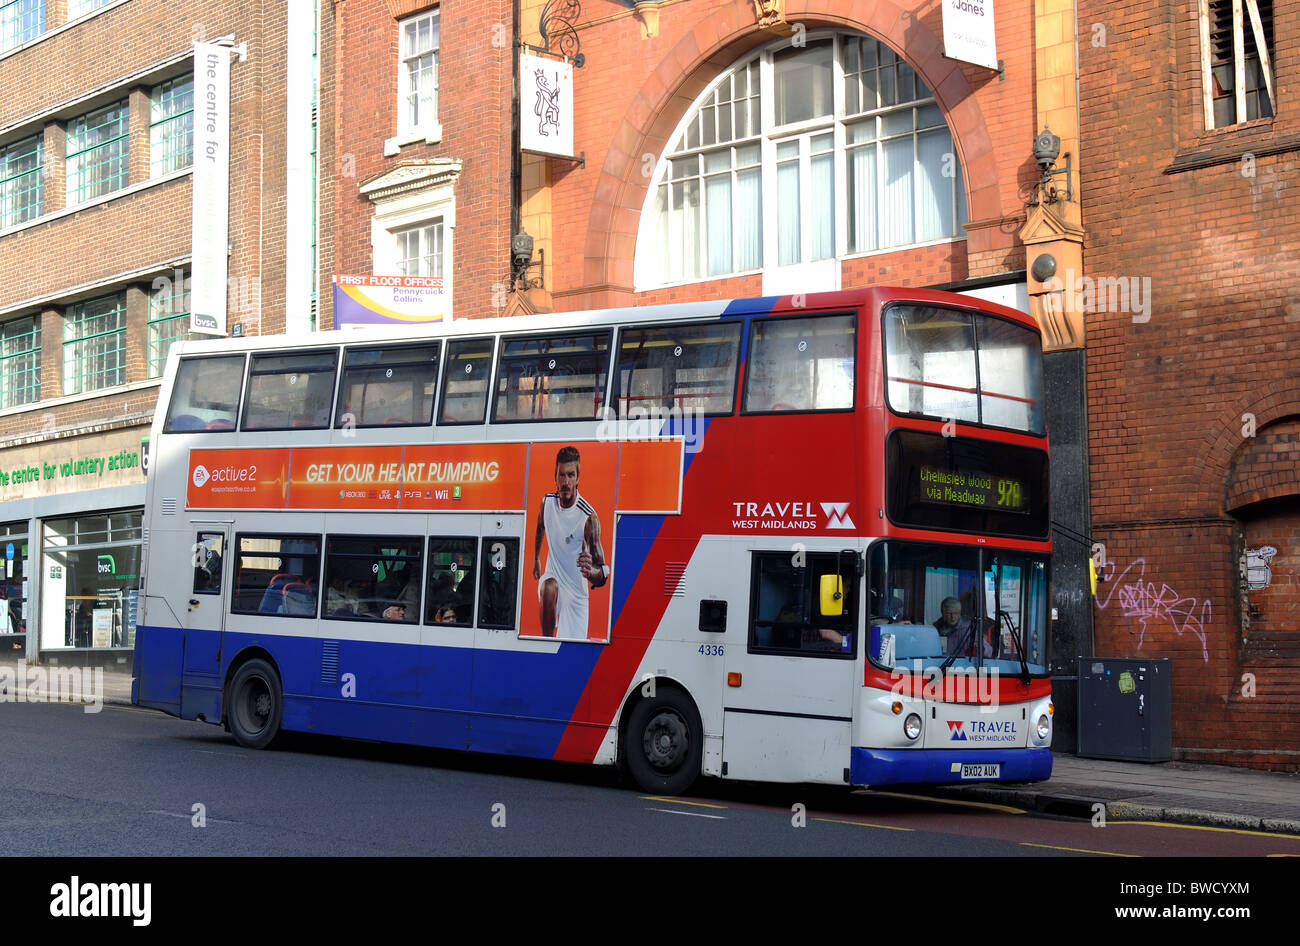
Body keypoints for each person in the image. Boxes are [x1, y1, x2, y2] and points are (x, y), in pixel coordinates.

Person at [532, 445, 607, 638]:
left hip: (576, 594)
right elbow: (540, 527)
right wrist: (536, 559)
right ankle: (546, 645)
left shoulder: (589, 518)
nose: (566, 482)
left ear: (578, 478)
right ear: (555, 477)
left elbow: (603, 574)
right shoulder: (546, 503)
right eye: (562, 475)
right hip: (553, 578)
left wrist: (590, 571)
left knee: (572, 657)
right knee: (549, 586)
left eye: (571, 475)